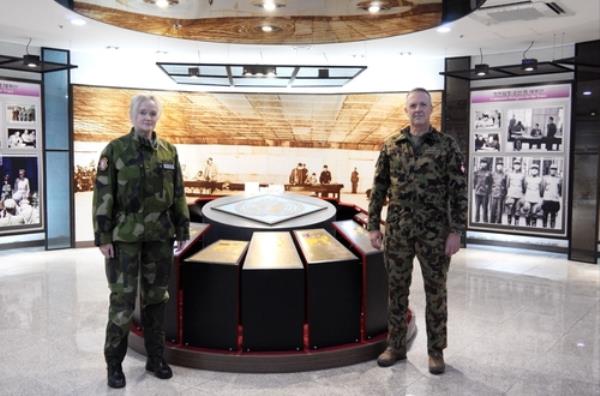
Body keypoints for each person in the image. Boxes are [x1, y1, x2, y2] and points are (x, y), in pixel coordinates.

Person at [92, 94, 190, 389]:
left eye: (152, 113)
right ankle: (114, 364)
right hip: (125, 238)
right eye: (143, 113)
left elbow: (179, 194)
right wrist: (103, 236)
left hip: (160, 237)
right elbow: (103, 195)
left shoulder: (168, 152)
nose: (148, 117)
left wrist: (183, 229)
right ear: (133, 115)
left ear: (158, 116)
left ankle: (156, 358)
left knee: (156, 299)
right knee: (122, 300)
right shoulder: (116, 150)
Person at [367, 88, 467, 374]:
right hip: (398, 229)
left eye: (423, 104)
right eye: (413, 105)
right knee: (396, 290)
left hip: (435, 231)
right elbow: (379, 188)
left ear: (431, 108)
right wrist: (374, 225)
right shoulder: (390, 144)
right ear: (406, 109)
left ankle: (436, 352)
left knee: (436, 291)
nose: (418, 109)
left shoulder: (447, 145)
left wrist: (456, 230)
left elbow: (458, 191)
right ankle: (395, 346)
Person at [505, 159, 526, 226]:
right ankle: (509, 224)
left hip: (519, 195)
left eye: (518, 165)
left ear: (520, 166)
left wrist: (522, 193)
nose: (517, 166)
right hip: (511, 194)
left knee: (517, 210)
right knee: (510, 210)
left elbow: (524, 186)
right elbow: (507, 185)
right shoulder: (510, 174)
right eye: (515, 164)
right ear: (513, 165)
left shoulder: (522, 175)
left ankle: (516, 225)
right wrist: (509, 194)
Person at [541, 164, 562, 228]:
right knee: (545, 215)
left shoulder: (559, 179)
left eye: (555, 169)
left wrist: (557, 196)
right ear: (550, 170)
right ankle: (544, 228)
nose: (553, 171)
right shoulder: (545, 178)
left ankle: (552, 229)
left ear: (556, 171)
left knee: (553, 216)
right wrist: (542, 197)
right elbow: (542, 188)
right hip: (547, 199)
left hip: (554, 200)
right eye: (552, 169)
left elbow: (560, 189)